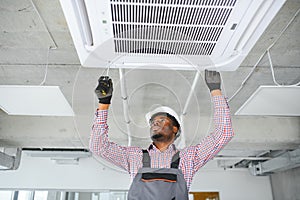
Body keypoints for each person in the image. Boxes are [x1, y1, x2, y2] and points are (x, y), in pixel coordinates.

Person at [89, 70, 234, 199]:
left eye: (162, 120)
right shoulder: (134, 157)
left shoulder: (189, 158)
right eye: (153, 122)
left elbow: (224, 133)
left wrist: (216, 91)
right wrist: (104, 103)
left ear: (175, 129)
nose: (155, 123)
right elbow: (98, 147)